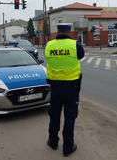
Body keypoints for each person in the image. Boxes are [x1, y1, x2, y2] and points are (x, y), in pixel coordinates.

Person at [45, 23, 84, 157]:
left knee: (54, 114)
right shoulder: (75, 45)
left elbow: (48, 58)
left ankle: (53, 141)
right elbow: (80, 56)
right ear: (69, 32)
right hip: (71, 88)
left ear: (57, 32)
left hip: (55, 87)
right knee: (70, 116)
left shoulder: (49, 45)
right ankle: (68, 147)